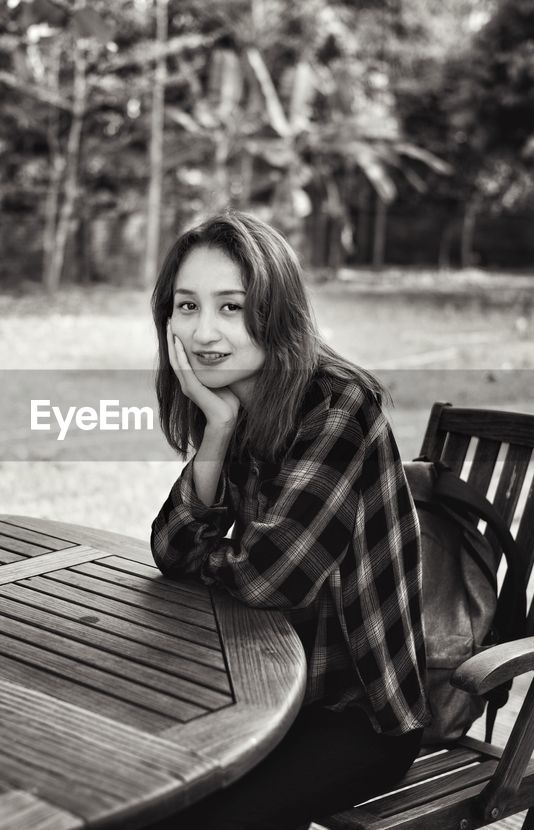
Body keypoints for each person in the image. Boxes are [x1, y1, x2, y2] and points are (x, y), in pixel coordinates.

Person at [146, 211, 429, 829]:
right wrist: (216, 435)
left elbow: (269, 578)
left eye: (230, 307)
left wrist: (218, 558)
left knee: (187, 817)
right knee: (133, 772)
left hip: (353, 713)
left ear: (275, 313)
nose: (202, 332)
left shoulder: (337, 406)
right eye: (186, 306)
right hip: (252, 691)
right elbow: (169, 548)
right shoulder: (233, 404)